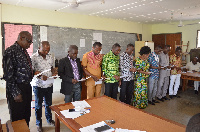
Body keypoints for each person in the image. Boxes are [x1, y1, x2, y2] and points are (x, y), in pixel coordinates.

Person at [3, 31, 33, 126]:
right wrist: (15, 93)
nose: (29, 44)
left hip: (26, 87)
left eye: (31, 42)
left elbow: (24, 68)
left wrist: (34, 72)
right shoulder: (10, 51)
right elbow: (8, 75)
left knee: (26, 115)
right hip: (17, 89)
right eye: (28, 42)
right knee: (18, 117)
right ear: (21, 38)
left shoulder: (23, 51)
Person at [31, 41, 56, 132]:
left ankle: (49, 119)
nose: (46, 52)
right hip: (38, 85)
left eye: (48, 50)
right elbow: (32, 71)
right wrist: (40, 76)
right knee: (38, 105)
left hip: (49, 84)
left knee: (48, 104)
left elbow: (52, 68)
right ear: (39, 47)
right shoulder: (33, 57)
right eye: (45, 50)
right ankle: (39, 124)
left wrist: (54, 72)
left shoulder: (50, 56)